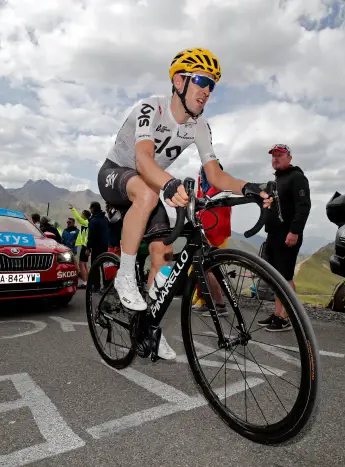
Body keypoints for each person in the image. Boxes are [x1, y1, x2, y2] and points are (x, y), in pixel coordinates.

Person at [96, 47, 271, 360]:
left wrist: (250, 188)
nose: (206, 91)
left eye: (212, 85)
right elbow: (143, 159)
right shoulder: (151, 108)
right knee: (149, 194)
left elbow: (215, 174)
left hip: (151, 183)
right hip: (116, 175)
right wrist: (170, 183)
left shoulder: (199, 126)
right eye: (202, 80)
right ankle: (123, 274)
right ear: (179, 80)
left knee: (162, 252)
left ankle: (146, 323)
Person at [256, 144, 311, 332]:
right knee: (277, 277)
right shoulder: (278, 180)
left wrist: (295, 231)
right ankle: (277, 314)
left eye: (280, 155)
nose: (275, 158)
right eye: (273, 156)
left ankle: (286, 318)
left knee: (285, 277)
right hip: (274, 234)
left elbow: (303, 206)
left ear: (289, 157)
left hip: (288, 234)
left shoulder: (297, 178)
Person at [191, 161, 232, 316]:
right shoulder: (207, 188)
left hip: (214, 235)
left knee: (211, 271)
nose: (202, 175)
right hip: (208, 233)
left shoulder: (218, 186)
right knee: (203, 270)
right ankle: (207, 302)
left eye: (205, 171)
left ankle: (220, 306)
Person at [70, 205, 90, 288]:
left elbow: (78, 219)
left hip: (85, 246)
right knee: (84, 264)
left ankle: (85, 282)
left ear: (85, 216)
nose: (81, 215)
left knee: (81, 264)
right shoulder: (88, 223)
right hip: (85, 245)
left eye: (82, 214)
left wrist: (73, 209)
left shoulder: (86, 222)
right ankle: (88, 281)